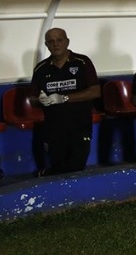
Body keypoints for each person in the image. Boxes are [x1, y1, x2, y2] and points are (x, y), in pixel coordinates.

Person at [31, 28, 101, 175]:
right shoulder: (41, 69)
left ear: (67, 42)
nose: (55, 44)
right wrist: (39, 100)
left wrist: (65, 98)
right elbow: (32, 99)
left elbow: (95, 91)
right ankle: (48, 176)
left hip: (79, 126)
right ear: (46, 45)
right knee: (58, 166)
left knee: (76, 166)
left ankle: (44, 174)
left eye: (59, 40)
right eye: (51, 41)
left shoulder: (82, 62)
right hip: (53, 128)